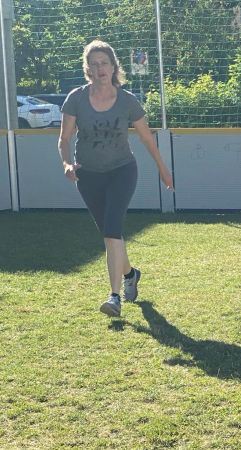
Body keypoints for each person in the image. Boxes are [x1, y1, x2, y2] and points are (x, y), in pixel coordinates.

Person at [58, 40, 174, 317]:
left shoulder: (127, 100)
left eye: (104, 63)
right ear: (87, 68)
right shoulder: (76, 98)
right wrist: (65, 163)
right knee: (111, 234)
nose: (100, 69)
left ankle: (114, 297)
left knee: (112, 228)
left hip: (122, 170)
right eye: (94, 64)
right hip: (88, 174)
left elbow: (147, 138)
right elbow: (64, 139)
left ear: (113, 66)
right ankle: (131, 274)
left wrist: (163, 168)